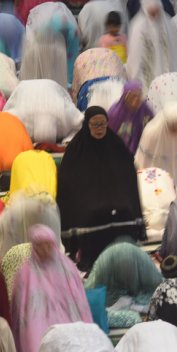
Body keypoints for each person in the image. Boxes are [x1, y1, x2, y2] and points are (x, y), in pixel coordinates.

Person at [57, 106, 146, 270]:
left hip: (115, 204)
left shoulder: (116, 145)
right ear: (86, 125)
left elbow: (128, 177)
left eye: (103, 124)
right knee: (93, 214)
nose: (99, 129)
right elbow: (68, 185)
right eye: (95, 125)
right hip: (87, 206)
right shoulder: (76, 150)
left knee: (120, 211)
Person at [11, 225, 93, 352]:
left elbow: (80, 304)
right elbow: (20, 310)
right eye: (40, 246)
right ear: (34, 247)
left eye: (48, 245)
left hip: (70, 329)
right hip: (38, 334)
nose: (45, 250)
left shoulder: (67, 269)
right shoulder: (25, 273)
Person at [125, 0, 177, 91]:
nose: (154, 14)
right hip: (146, 76)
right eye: (150, 11)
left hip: (167, 75)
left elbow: (176, 51)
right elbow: (135, 54)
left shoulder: (168, 25)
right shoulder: (137, 27)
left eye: (156, 10)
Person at [107, 81, 154, 156]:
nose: (136, 100)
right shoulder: (114, 113)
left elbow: (153, 124)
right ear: (125, 96)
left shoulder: (144, 108)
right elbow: (108, 138)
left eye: (139, 96)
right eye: (133, 96)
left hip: (142, 152)